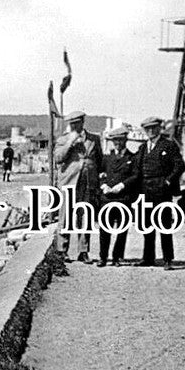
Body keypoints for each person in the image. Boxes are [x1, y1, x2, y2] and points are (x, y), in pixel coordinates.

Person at [136, 116, 185, 269]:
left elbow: (180, 166)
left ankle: (167, 259)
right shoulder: (143, 148)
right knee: (147, 225)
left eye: (153, 128)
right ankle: (148, 258)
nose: (150, 131)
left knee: (164, 224)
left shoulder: (168, 145)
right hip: (146, 190)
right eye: (147, 129)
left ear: (159, 128)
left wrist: (168, 181)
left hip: (162, 191)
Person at [54, 110, 103, 262]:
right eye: (72, 123)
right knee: (66, 216)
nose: (74, 126)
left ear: (83, 122)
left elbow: (99, 160)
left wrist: (97, 177)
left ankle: (83, 251)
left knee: (85, 217)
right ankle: (62, 250)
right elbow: (58, 158)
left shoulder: (94, 139)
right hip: (69, 182)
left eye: (77, 123)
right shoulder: (63, 139)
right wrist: (70, 143)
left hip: (87, 182)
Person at [97, 125, 138, 267]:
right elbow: (101, 174)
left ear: (125, 140)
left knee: (122, 229)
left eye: (120, 141)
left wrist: (121, 186)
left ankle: (117, 257)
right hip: (107, 199)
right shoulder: (107, 158)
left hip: (123, 199)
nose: (117, 144)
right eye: (115, 141)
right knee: (104, 229)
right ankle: (103, 257)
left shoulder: (132, 158)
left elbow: (135, 176)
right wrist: (104, 186)